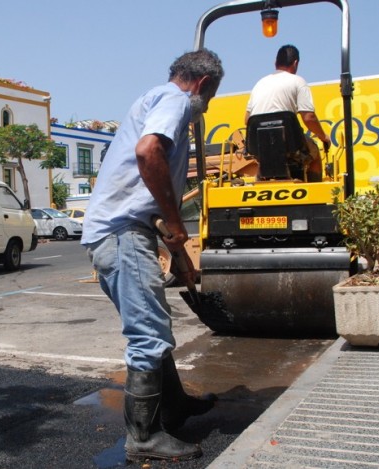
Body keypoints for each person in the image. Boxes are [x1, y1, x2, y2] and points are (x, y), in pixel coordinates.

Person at [81, 49, 224, 462]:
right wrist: (178, 225)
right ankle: (143, 436)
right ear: (201, 84)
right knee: (148, 333)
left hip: (123, 230)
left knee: (152, 324)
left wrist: (179, 254)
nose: (206, 107)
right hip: (122, 234)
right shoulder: (177, 100)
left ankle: (174, 407)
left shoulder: (153, 98)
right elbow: (148, 152)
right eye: (211, 98)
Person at [244, 44, 331, 180]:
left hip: (260, 147)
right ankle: (314, 191)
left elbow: (247, 120)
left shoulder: (259, 84)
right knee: (314, 153)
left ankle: (264, 179)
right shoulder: (298, 81)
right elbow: (309, 117)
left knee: (267, 156)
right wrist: (323, 137)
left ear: (275, 63)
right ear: (295, 63)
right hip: (289, 145)